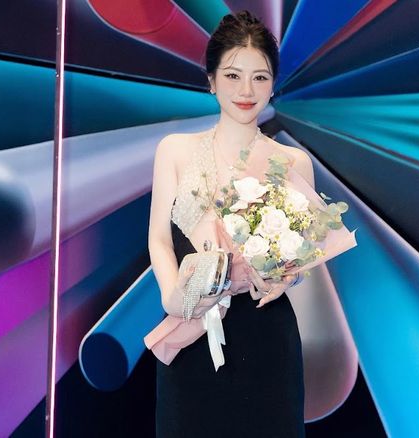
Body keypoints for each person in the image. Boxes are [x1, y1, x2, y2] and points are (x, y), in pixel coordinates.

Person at [147, 10, 314, 438]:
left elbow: (305, 257)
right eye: (233, 76)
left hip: (267, 339)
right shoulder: (175, 150)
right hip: (191, 331)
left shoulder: (292, 163)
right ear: (211, 80)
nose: (246, 90)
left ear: (273, 84)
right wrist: (173, 296)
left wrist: (285, 278)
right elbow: (160, 239)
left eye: (260, 78)